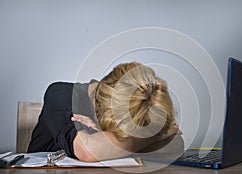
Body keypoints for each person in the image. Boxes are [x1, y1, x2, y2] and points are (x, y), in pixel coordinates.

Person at [28, 62, 182, 162]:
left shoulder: (134, 108)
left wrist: (113, 141)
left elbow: (176, 145)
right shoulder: (59, 94)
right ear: (99, 104)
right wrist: (156, 134)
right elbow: (87, 151)